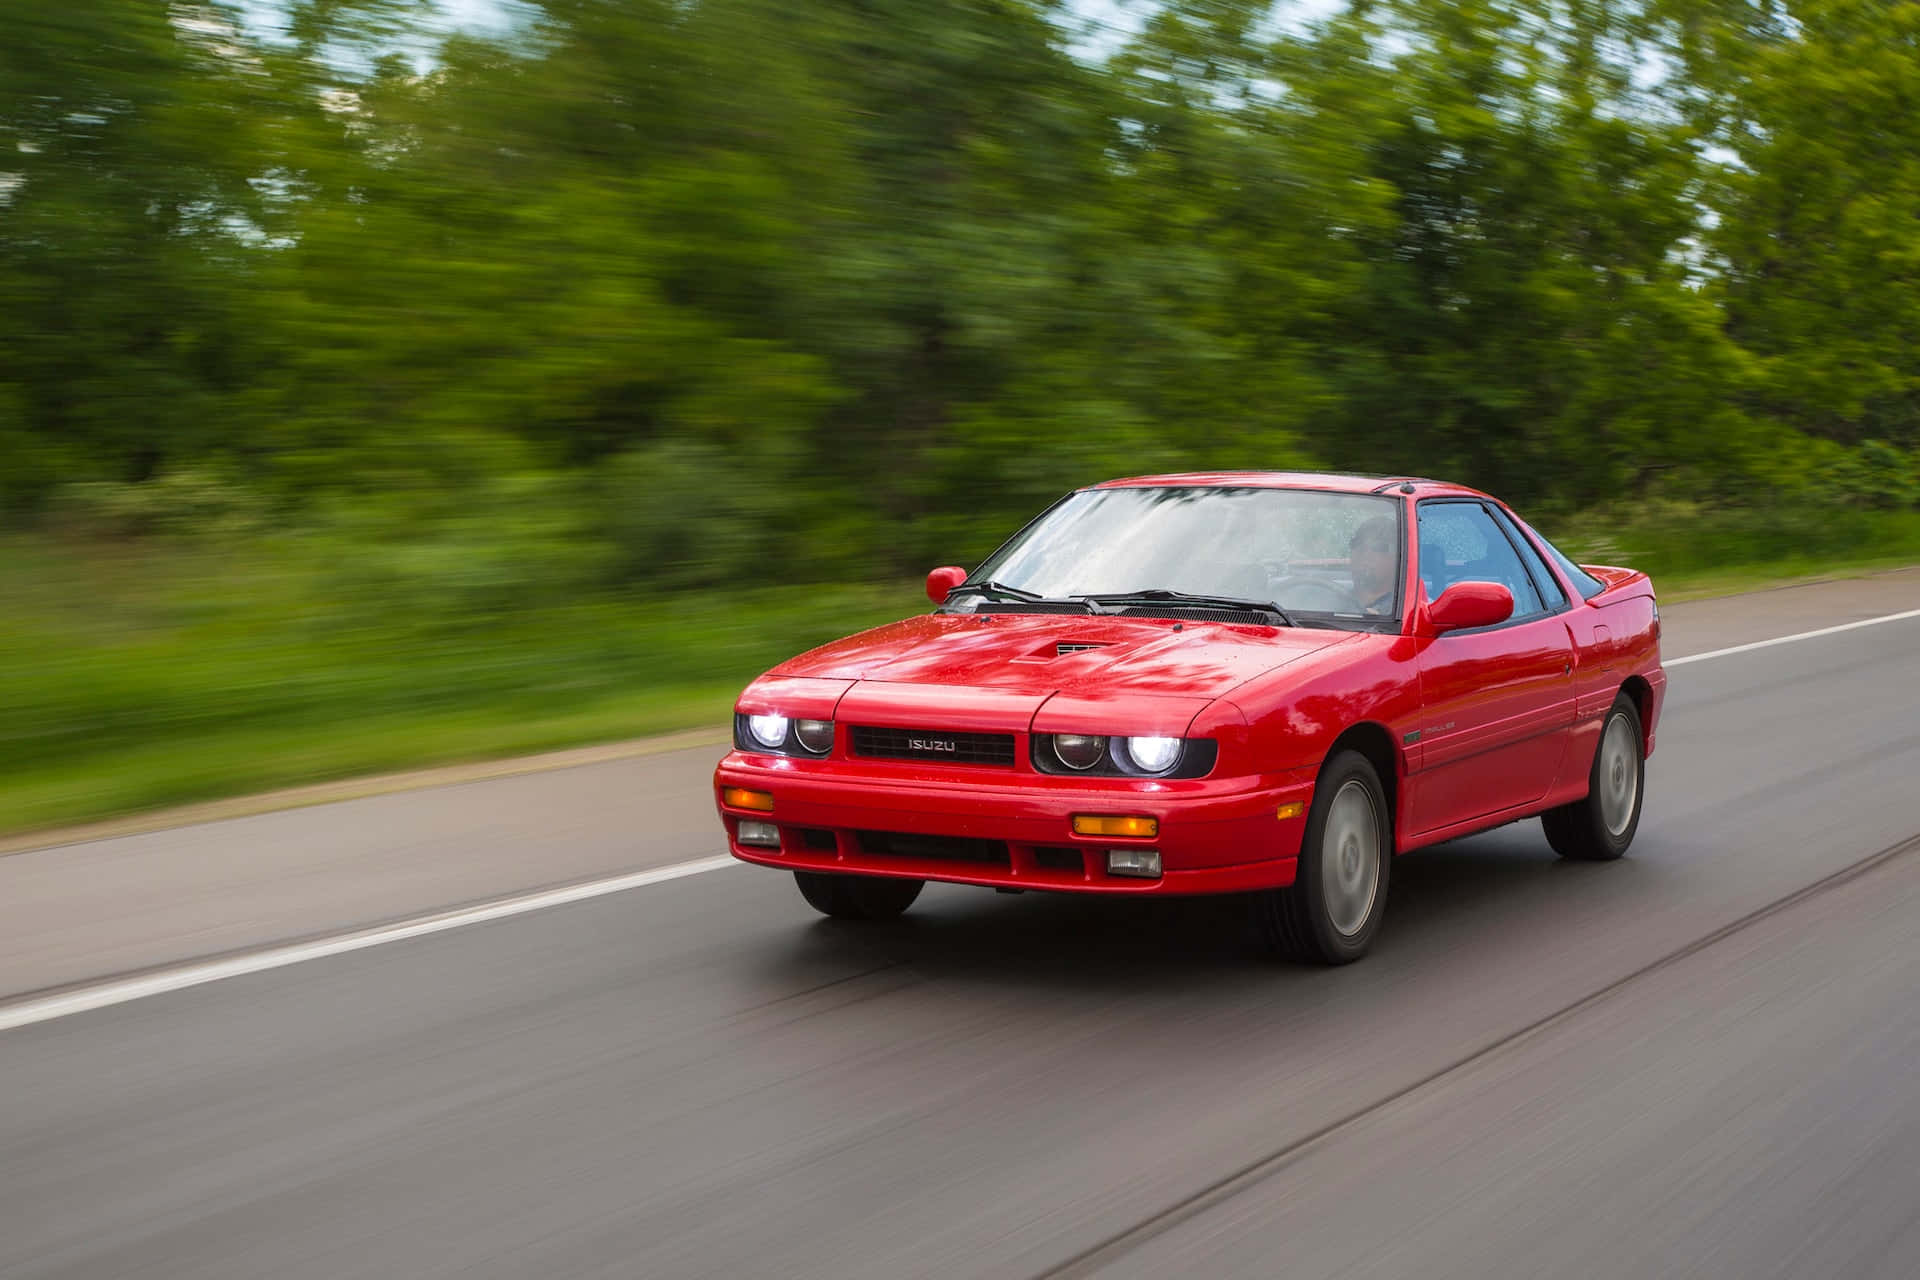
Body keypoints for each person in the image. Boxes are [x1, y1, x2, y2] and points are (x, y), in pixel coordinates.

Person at [1348, 515, 1399, 615]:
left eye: (1378, 547)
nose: (1365, 554)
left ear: (1397, 557)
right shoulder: (1327, 600)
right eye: (1357, 544)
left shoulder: (1413, 611)